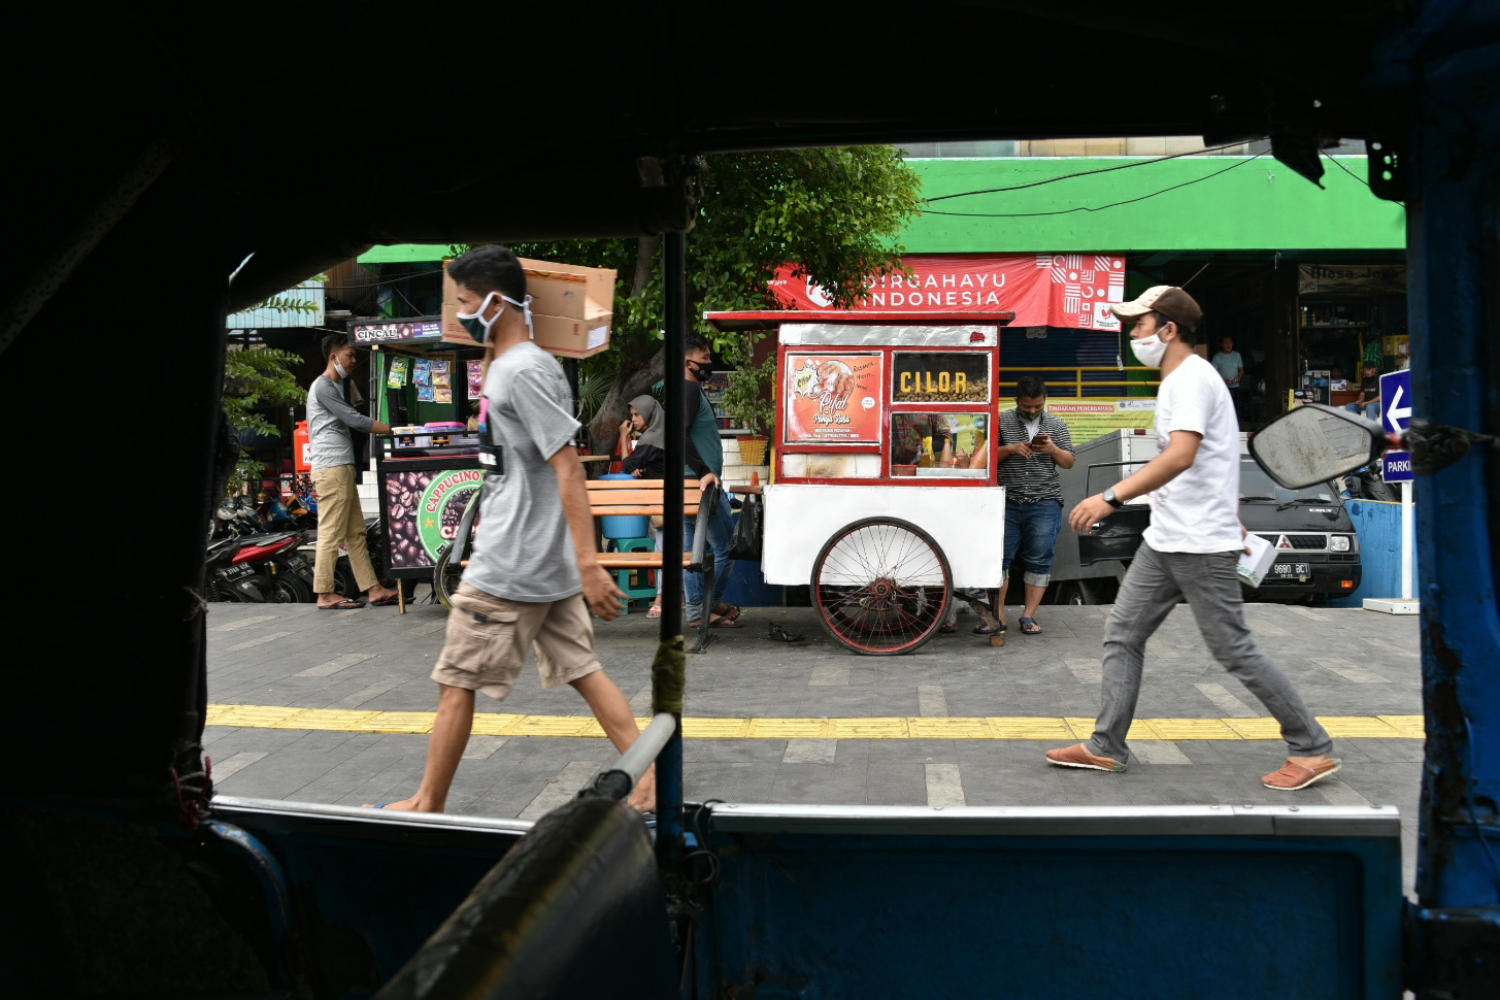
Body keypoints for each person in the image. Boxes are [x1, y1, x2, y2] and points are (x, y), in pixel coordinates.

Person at [373, 246, 653, 813]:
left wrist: (590, 562)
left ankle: (428, 801)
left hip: (512, 566)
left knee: (457, 681)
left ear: (497, 303)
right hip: (539, 562)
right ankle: (647, 783)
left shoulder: (521, 370)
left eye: (465, 302)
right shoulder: (518, 366)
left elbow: (567, 466)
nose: (459, 314)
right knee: (585, 671)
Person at [1047, 286, 1339, 790]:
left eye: (1138, 325)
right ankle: (1106, 745)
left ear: (1168, 329)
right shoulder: (1182, 380)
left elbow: (1180, 456)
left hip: (1200, 545)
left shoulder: (1190, 381)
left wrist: (1110, 497)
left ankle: (1311, 747)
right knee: (1123, 632)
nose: (1131, 334)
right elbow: (1209, 463)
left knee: (1233, 649)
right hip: (1168, 539)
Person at [307, 335, 400, 610]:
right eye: (349, 355)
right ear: (333, 357)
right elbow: (354, 420)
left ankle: (373, 589)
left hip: (340, 468)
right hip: (332, 468)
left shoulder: (333, 386)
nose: (354, 360)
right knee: (331, 533)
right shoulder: (323, 386)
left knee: (355, 533)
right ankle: (324, 593)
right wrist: (392, 430)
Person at [976, 377, 1074, 637]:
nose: (1032, 410)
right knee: (999, 560)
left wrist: (1053, 448)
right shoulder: (1001, 421)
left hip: (1045, 501)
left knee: (1039, 559)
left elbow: (1069, 462)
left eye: (1037, 406)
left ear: (1044, 401)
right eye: (1027, 406)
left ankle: (1028, 615)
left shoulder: (1057, 424)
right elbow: (983, 459)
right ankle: (998, 615)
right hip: (1006, 500)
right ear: (1017, 401)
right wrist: (1009, 449)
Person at [682, 334, 743, 629]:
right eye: (704, 359)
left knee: (697, 551)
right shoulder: (689, 391)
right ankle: (705, 606)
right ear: (687, 361)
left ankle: (701, 608)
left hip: (692, 484)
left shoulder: (686, 390)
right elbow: (679, 435)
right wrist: (704, 470)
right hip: (700, 486)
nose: (709, 364)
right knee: (727, 547)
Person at [620, 394, 667, 618]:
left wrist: (622, 437)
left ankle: (660, 599)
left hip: (663, 504)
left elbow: (626, 465)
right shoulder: (662, 434)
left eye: (637, 414)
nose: (634, 419)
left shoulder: (651, 438)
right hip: (670, 500)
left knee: (662, 551)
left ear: (649, 413)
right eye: (632, 415)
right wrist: (643, 469)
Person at [1211, 335, 1246, 425]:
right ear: (1221, 344)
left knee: (1236, 409)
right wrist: (1224, 381)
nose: (1228, 345)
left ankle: (1236, 426)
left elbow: (1241, 369)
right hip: (1223, 388)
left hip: (1235, 387)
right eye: (1225, 342)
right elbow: (1213, 373)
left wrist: (1238, 378)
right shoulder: (1217, 357)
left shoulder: (1237, 355)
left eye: (1230, 342)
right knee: (1224, 410)